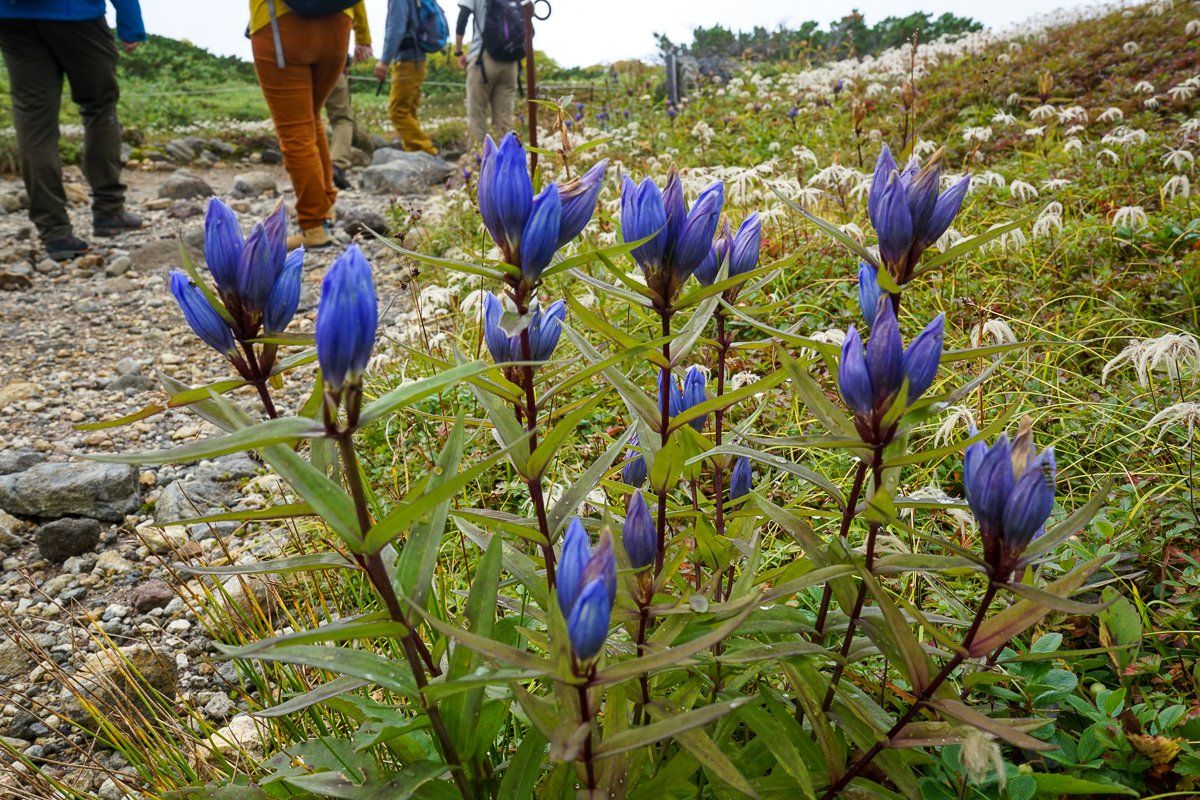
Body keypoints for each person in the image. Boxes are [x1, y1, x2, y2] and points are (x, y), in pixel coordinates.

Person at [0, 0, 146, 262]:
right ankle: (109, 211)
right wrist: (131, 24)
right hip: (78, 15)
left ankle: (55, 233)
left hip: (13, 17)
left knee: (34, 123)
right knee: (99, 108)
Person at [248, 1, 366, 249]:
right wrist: (363, 35)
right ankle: (325, 206)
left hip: (279, 25)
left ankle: (313, 226)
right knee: (310, 117)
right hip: (339, 22)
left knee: (295, 130)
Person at [373, 0, 436, 156]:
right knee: (409, 111)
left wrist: (384, 61)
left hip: (407, 60)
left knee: (398, 112)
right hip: (418, 60)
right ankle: (414, 152)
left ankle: (427, 151)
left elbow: (396, 28)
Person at [455, 0, 520, 147]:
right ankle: (505, 164)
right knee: (504, 118)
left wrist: (458, 52)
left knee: (477, 114)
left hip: (483, 59)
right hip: (511, 62)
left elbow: (462, 17)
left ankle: (479, 161)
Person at [324, 4, 373, 191]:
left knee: (303, 119)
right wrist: (363, 39)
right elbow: (357, 5)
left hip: (292, 57)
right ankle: (337, 164)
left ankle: (308, 171)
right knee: (342, 118)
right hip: (332, 60)